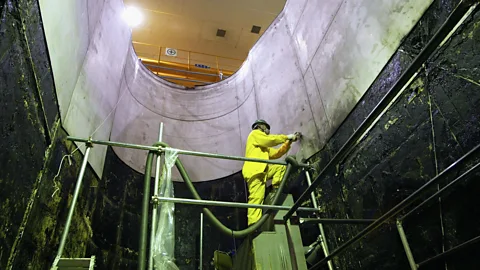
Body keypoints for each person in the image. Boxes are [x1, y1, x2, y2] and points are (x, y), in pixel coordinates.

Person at [242, 119, 301, 226]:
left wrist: (289, 142)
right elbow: (270, 140)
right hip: (254, 172)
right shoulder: (255, 134)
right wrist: (286, 137)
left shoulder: (262, 146)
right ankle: (253, 225)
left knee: (280, 166)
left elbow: (277, 154)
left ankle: (276, 189)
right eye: (266, 127)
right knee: (256, 199)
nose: (268, 130)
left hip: (262, 170)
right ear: (261, 127)